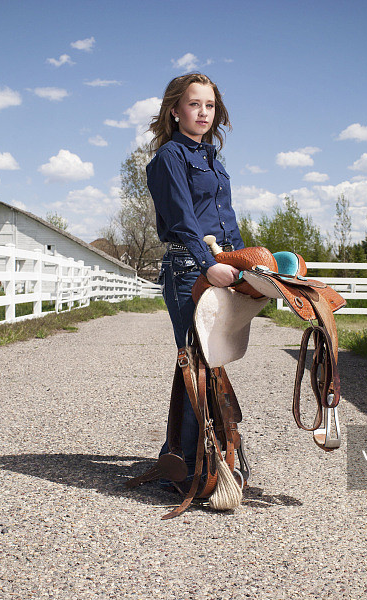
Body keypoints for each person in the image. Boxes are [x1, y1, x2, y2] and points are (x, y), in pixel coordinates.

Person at [145, 73, 244, 486]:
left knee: (212, 363)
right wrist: (209, 265)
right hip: (189, 268)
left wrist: (244, 262)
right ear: (175, 110)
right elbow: (185, 222)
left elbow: (227, 222)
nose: (203, 112)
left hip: (216, 265)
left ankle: (210, 456)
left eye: (209, 105)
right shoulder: (170, 157)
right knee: (196, 366)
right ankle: (190, 470)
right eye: (194, 104)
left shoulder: (214, 162)